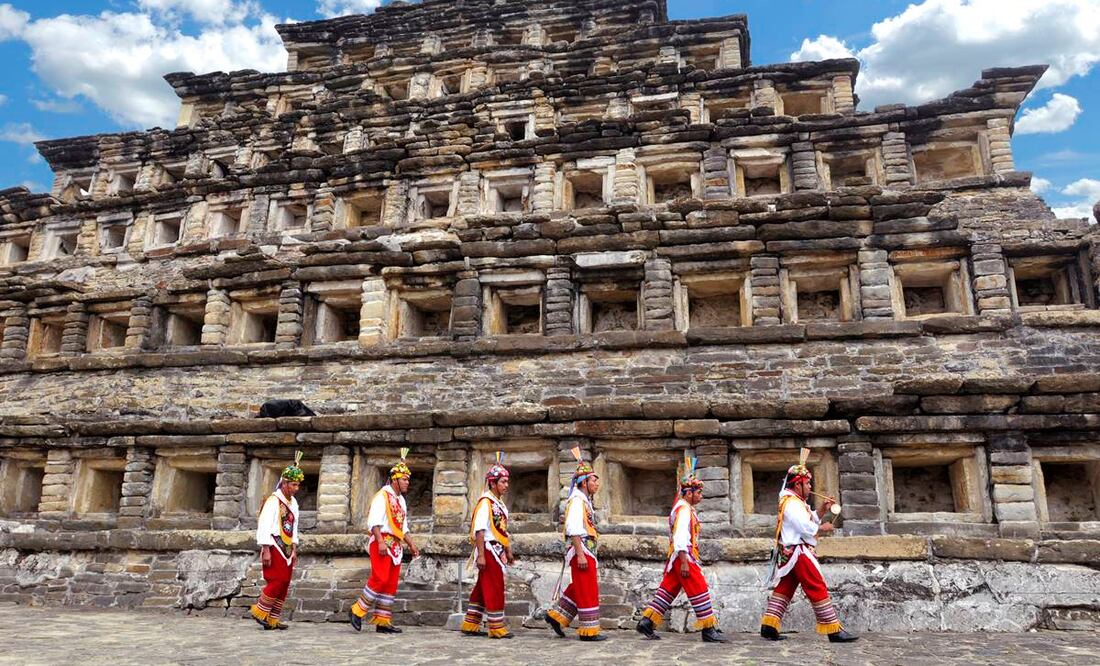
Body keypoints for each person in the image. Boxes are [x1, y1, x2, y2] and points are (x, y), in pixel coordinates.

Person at [759, 457, 857, 643]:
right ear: (798, 485)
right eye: (807, 483)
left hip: (793, 551)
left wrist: (821, 510)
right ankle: (833, 629)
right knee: (816, 585)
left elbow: (809, 518)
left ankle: (769, 626)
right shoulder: (792, 503)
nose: (810, 486)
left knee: (786, 587)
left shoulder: (795, 501)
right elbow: (804, 526)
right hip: (799, 552)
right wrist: (823, 528)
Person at [635, 456, 727, 643]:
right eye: (698, 493)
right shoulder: (684, 510)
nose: (701, 496)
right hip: (683, 556)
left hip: (679, 556)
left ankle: (647, 621)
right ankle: (708, 630)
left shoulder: (682, 507)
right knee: (700, 589)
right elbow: (680, 538)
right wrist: (685, 561)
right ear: (688, 493)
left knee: (668, 590)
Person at [349, 449, 421, 633]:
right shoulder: (382, 496)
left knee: (390, 582)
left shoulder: (401, 500)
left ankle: (383, 620)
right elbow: (374, 521)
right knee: (380, 577)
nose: (407, 482)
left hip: (395, 544)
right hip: (382, 542)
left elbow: (403, 526)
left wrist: (411, 543)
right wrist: (380, 541)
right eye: (404, 479)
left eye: (407, 479)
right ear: (394, 479)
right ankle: (357, 610)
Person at [546, 453, 604, 642]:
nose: (596, 483)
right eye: (593, 480)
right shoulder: (577, 501)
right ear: (583, 483)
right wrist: (580, 554)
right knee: (587, 588)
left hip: (587, 550)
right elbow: (573, 528)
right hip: (582, 550)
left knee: (580, 586)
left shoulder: (584, 501)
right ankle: (588, 631)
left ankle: (556, 616)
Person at [460, 454, 515, 639]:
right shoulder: (486, 503)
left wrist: (508, 549)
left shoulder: (499, 504)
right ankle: (496, 627)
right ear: (492, 483)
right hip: (489, 550)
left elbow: (503, 530)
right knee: (494, 586)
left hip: (498, 550)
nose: (506, 485)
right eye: (503, 482)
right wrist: (481, 555)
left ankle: (470, 623)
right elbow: (480, 531)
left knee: (482, 588)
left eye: (507, 482)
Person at [250, 452, 303, 630]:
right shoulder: (273, 501)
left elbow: (293, 526)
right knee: (276, 580)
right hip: (273, 545)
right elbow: (264, 524)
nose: (296, 488)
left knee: (285, 583)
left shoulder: (293, 503)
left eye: (298, 485)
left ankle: (272, 618)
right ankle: (260, 611)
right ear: (285, 483)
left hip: (287, 548)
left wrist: (294, 548)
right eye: (293, 484)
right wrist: (265, 548)